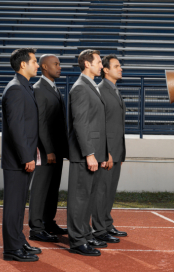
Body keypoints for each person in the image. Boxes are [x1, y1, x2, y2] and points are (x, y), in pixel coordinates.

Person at [67, 49, 114, 256]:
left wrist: (101, 152)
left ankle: (85, 234)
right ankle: (77, 241)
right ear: (87, 64)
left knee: (88, 197)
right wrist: (89, 154)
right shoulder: (79, 88)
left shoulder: (90, 86)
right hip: (85, 154)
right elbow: (81, 124)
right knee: (80, 198)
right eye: (96, 62)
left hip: (94, 152)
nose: (100, 66)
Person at [1, 48, 41, 262]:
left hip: (23, 156)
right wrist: (27, 157)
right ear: (23, 64)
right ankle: (12, 249)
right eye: (34, 61)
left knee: (19, 206)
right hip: (18, 159)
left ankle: (18, 240)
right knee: (14, 206)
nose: (37, 65)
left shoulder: (23, 87)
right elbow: (16, 128)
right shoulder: (16, 89)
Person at [29, 55, 69, 243]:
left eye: (59, 64)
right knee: (40, 188)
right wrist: (49, 150)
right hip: (47, 151)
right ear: (44, 67)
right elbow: (41, 122)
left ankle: (48, 222)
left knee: (53, 188)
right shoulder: (38, 89)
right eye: (56, 64)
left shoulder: (53, 87)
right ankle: (36, 228)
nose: (59, 67)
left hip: (57, 150)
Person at [97, 54, 127, 237]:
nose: (120, 68)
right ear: (106, 70)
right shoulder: (101, 90)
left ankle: (107, 223)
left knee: (110, 191)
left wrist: (120, 152)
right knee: (102, 191)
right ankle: (99, 228)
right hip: (107, 151)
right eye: (117, 66)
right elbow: (102, 125)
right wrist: (106, 152)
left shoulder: (114, 89)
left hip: (116, 151)